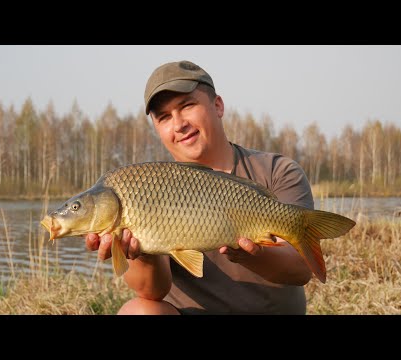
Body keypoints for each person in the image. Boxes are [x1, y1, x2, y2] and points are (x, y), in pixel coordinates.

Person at [85, 60, 315, 314]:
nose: (178, 123)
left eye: (187, 106)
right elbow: (153, 293)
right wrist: (144, 253)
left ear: (218, 105)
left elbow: (301, 270)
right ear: (157, 129)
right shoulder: (149, 189)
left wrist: (248, 253)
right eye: (164, 117)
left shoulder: (276, 171)